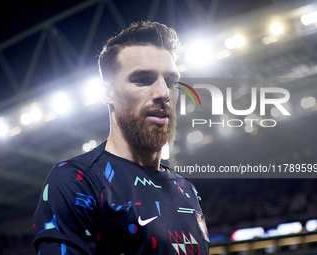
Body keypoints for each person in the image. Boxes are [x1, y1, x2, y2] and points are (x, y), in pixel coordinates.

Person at [33, 21, 210, 255]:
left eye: (170, 81)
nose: (163, 93)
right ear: (107, 93)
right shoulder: (76, 180)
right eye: (142, 79)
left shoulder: (186, 189)